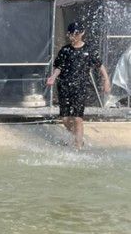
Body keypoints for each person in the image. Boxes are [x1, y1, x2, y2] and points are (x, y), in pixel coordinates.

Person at [47, 22, 110, 150]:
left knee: (77, 118)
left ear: (82, 33)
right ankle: (77, 136)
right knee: (65, 119)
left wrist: (106, 80)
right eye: (70, 34)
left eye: (76, 33)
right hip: (64, 87)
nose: (73, 37)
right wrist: (53, 77)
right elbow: (59, 67)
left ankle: (78, 146)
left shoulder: (89, 50)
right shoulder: (65, 50)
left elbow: (100, 66)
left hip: (80, 88)